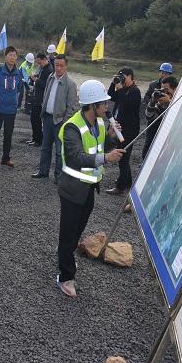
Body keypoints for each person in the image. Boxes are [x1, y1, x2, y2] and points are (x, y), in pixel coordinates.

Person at [56, 80, 125, 297]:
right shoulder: (72, 127)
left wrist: (111, 138)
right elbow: (76, 157)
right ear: (92, 105)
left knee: (77, 229)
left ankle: (65, 251)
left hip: (89, 187)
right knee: (68, 232)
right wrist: (106, 157)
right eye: (103, 103)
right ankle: (65, 276)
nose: (107, 106)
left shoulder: (100, 123)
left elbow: (100, 147)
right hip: (72, 188)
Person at [33, 54, 78, 182]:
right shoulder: (50, 78)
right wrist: (43, 113)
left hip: (60, 122)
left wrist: (65, 122)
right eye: (56, 65)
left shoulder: (70, 84)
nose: (58, 68)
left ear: (66, 66)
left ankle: (59, 176)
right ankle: (43, 171)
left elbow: (71, 107)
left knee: (60, 150)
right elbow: (46, 95)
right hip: (47, 118)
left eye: (61, 66)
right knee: (45, 147)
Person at [105, 66, 141, 196]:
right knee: (124, 156)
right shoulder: (123, 89)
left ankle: (120, 187)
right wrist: (113, 82)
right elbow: (111, 96)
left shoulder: (135, 92)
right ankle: (127, 181)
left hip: (129, 130)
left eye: (123, 78)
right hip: (119, 128)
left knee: (123, 157)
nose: (122, 80)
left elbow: (127, 104)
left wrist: (120, 89)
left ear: (130, 77)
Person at [0, 46, 22, 167]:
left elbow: (19, 88)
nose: (12, 58)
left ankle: (6, 158)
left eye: (14, 55)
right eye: (10, 55)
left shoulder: (18, 73)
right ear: (5, 57)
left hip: (11, 110)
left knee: (8, 135)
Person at [142, 62, 174, 159]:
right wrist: (153, 102)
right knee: (149, 142)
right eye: (162, 72)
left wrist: (169, 101)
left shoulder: (172, 87)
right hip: (154, 115)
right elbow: (146, 97)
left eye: (166, 73)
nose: (163, 75)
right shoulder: (153, 85)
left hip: (166, 118)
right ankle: (144, 161)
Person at [28, 53, 53, 147]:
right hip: (36, 98)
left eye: (40, 63)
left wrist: (36, 80)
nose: (39, 65)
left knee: (37, 120)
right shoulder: (43, 69)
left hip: (41, 100)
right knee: (33, 119)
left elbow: (46, 85)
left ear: (45, 60)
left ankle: (38, 140)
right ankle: (34, 138)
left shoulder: (49, 70)